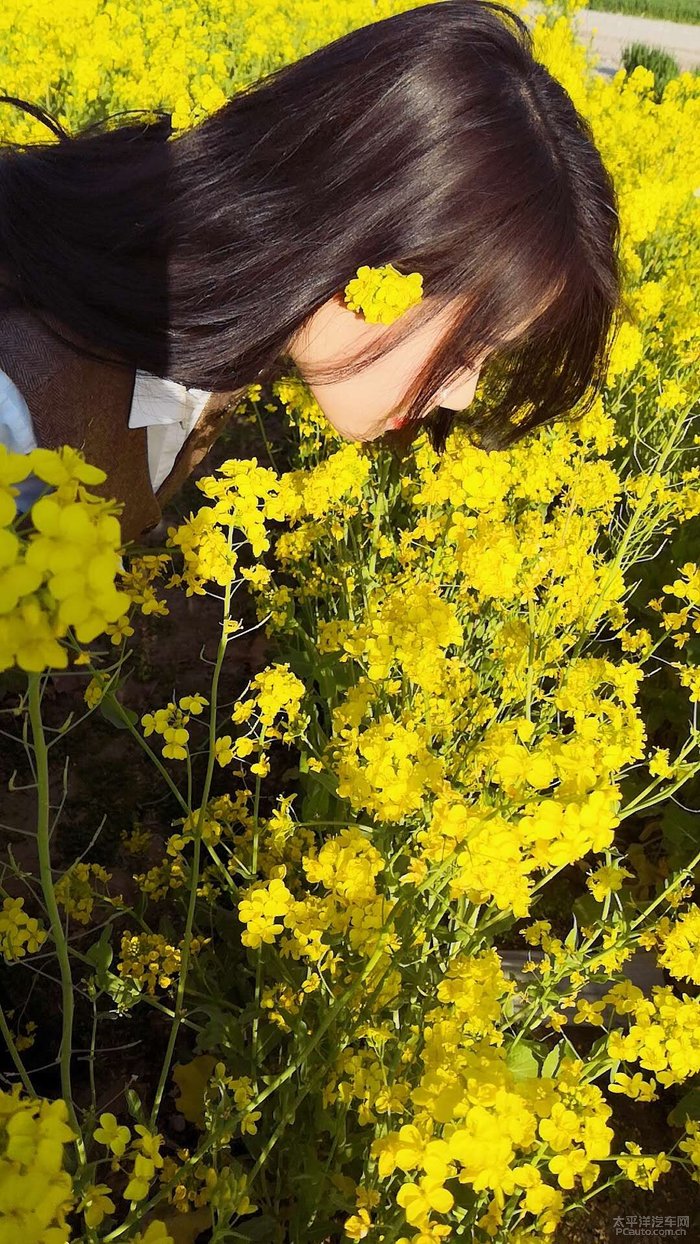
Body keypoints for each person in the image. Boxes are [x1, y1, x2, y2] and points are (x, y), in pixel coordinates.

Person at [0, 0, 623, 545]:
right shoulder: (17, 414)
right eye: (469, 347)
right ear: (373, 261)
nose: (460, 394)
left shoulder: (226, 330)